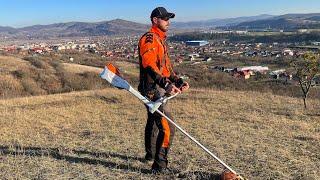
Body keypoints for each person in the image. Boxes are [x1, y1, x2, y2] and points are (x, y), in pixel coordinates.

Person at [138, 7, 189, 173]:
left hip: (157, 88)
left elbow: (166, 69)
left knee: (154, 121)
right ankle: (159, 166)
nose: (168, 22)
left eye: (169, 19)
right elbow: (149, 65)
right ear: (155, 20)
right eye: (165, 18)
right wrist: (165, 84)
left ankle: (150, 154)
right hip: (152, 90)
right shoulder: (150, 39)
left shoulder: (160, 40)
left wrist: (178, 81)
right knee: (167, 127)